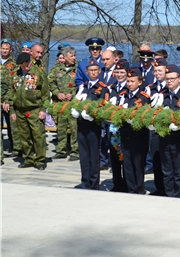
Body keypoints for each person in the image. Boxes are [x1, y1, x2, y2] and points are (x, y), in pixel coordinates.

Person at [4, 52, 49, 170]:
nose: (26, 67)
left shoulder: (39, 73)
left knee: (38, 135)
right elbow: (11, 93)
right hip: (19, 110)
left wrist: (43, 110)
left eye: (28, 64)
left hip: (34, 109)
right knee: (24, 136)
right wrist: (12, 110)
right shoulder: (15, 74)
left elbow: (45, 94)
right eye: (23, 66)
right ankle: (28, 158)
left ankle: (40, 160)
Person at [156, 65, 180, 198]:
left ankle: (178, 197)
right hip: (164, 137)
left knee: (179, 171)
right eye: (167, 79)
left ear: (179, 78)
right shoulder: (162, 96)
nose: (169, 81)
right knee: (166, 170)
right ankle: (168, 195)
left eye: (172, 79)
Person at [73, 59, 108, 189]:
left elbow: (104, 107)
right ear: (86, 72)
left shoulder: (103, 88)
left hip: (94, 127)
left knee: (94, 156)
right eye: (90, 70)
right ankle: (85, 182)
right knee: (83, 155)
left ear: (99, 71)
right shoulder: (83, 87)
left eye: (95, 70)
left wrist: (93, 114)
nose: (93, 72)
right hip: (82, 126)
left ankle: (94, 184)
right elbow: (76, 102)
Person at [120, 69, 151, 194]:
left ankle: (139, 188)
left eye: (132, 81)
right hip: (125, 132)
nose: (129, 84)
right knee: (127, 162)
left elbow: (146, 115)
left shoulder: (143, 98)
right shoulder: (123, 95)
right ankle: (130, 188)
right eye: (128, 81)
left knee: (138, 162)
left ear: (139, 82)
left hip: (139, 134)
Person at [49, 46, 79, 161]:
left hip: (73, 103)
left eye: (74, 55)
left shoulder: (77, 68)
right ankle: (61, 150)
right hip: (60, 103)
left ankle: (75, 151)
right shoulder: (56, 69)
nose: (74, 58)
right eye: (71, 56)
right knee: (61, 127)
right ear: (65, 57)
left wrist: (72, 93)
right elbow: (51, 83)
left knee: (73, 128)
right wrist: (57, 93)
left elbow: (80, 84)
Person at [145, 57, 168, 195]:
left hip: (166, 129)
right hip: (153, 129)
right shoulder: (150, 88)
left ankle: (168, 187)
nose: (157, 73)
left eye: (160, 70)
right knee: (155, 157)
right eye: (155, 71)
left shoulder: (169, 87)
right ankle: (159, 187)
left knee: (166, 159)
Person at [107, 58, 130, 193]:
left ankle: (127, 184)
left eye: (122, 72)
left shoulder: (130, 87)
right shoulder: (112, 87)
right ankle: (116, 183)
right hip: (113, 127)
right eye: (117, 72)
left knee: (126, 158)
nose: (120, 75)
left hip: (126, 129)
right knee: (114, 158)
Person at [1, 38, 20, 157]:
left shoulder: (14, 64)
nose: (5, 51)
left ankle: (16, 148)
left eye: (7, 49)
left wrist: (7, 100)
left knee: (12, 126)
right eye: (3, 48)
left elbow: (14, 84)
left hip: (8, 99)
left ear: (11, 50)